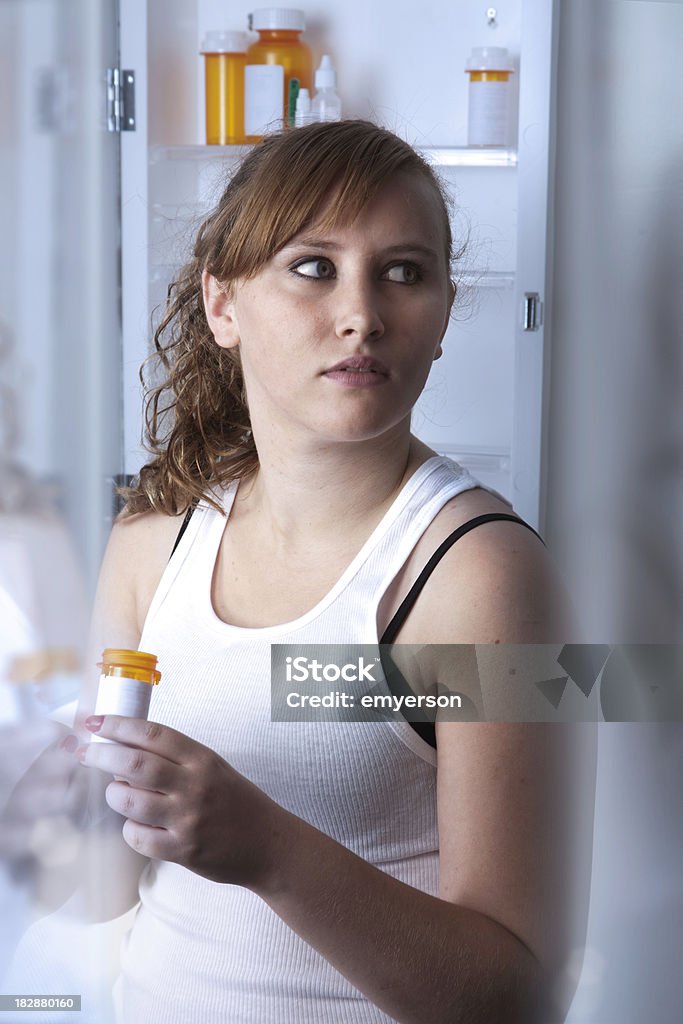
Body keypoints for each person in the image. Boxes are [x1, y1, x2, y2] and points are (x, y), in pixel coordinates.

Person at [74, 120, 594, 1023]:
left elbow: (519, 995)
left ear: (440, 316)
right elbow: (98, 887)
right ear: (222, 306)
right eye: (314, 266)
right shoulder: (152, 541)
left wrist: (266, 846)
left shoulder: (488, 577)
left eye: (403, 271)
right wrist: (45, 812)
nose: (364, 313)